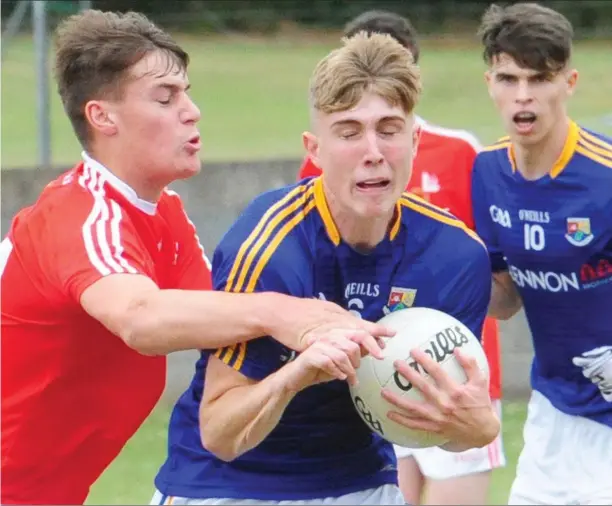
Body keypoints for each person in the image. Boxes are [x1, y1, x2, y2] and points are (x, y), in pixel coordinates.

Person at [0, 11, 396, 506]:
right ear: (102, 116)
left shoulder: (163, 212)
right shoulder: (81, 215)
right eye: (166, 97)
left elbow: (223, 314)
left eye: (186, 93)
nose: (192, 111)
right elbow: (140, 319)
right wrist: (280, 311)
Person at [151, 32, 501, 506]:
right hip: (229, 483)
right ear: (314, 150)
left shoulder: (456, 255)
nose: (373, 150)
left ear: (415, 140)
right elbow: (219, 434)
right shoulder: (269, 246)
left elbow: (463, 431)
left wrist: (475, 425)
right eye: (350, 131)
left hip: (360, 481)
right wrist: (298, 374)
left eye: (390, 128)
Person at [298, 10, 506, 505]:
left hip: (451, 361)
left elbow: (486, 259)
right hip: (375, 366)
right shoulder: (325, 157)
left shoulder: (460, 150)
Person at [473, 3, 612, 505]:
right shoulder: (487, 172)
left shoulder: (606, 176)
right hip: (554, 415)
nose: (523, 96)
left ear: (569, 82)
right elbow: (505, 298)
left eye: (540, 78)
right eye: (509, 78)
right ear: (490, 81)